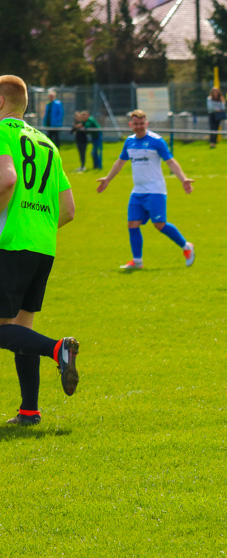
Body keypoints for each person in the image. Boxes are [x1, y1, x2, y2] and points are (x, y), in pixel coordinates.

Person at [0, 75, 79, 426]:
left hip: (10, 242)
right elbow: (69, 210)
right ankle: (29, 412)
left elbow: (6, 180)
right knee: (22, 329)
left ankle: (56, 348)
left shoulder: (3, 133)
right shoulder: (47, 142)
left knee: (9, 329)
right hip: (42, 245)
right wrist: (39, 228)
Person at [96, 110, 195, 271]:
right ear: (131, 125)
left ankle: (186, 246)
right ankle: (137, 261)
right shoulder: (129, 142)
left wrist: (183, 179)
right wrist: (107, 179)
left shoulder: (157, 141)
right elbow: (120, 162)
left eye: (142, 124)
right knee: (132, 224)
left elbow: (171, 162)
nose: (139, 127)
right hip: (137, 191)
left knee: (159, 224)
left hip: (155, 191)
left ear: (146, 124)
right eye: (136, 124)